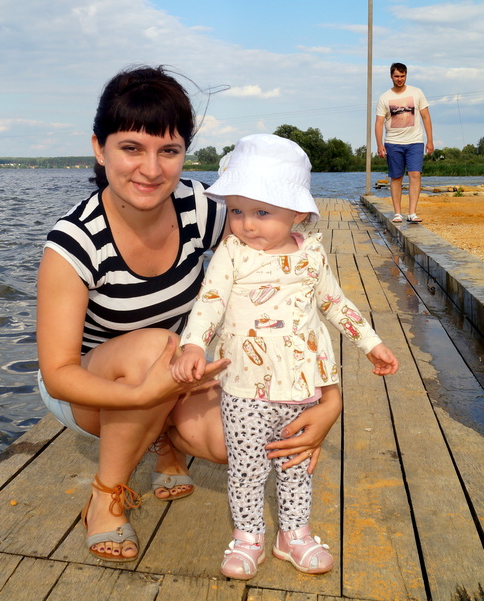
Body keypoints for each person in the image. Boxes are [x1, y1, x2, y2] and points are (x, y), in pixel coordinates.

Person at [36, 66, 344, 564]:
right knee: (156, 346)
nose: (151, 169)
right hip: (91, 388)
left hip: (178, 373)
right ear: (99, 148)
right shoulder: (74, 243)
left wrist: (327, 399)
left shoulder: (201, 207)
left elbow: (286, 279)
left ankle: (167, 442)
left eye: (169, 151)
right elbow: (57, 373)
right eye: (131, 148)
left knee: (231, 440)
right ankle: (106, 496)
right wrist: (142, 395)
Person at [171, 134, 398, 579]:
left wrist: (371, 343)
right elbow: (210, 302)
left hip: (302, 386)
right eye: (237, 211)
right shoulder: (232, 253)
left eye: (262, 213)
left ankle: (293, 533)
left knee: (296, 464)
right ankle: (248, 536)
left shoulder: (311, 253)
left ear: (297, 212)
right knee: (247, 468)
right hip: (244, 388)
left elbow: (335, 303)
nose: (246, 224)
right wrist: (193, 344)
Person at [375, 62, 434, 224]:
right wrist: (379, 144)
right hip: (393, 142)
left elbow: (426, 116)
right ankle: (397, 213)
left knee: (415, 174)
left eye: (402, 76)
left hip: (415, 141)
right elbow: (379, 122)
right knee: (396, 177)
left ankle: (412, 213)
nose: (399, 79)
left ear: (406, 75)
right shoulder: (385, 97)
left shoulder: (416, 92)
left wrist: (430, 140)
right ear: (391, 76)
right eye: (396, 76)